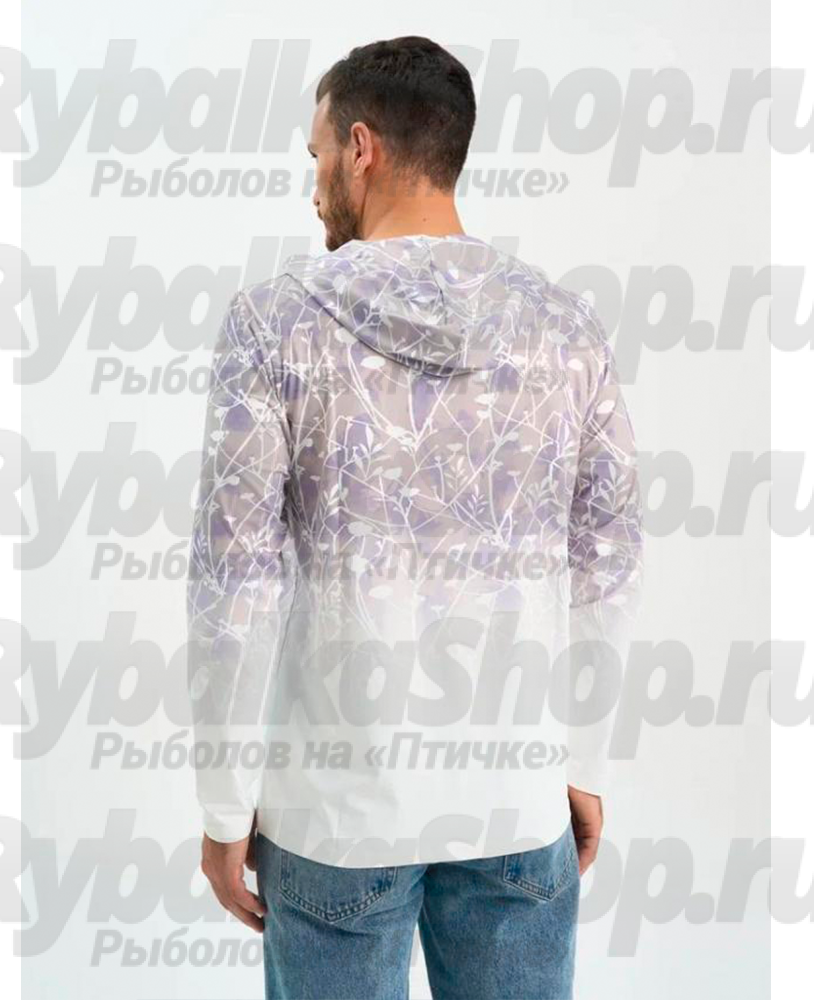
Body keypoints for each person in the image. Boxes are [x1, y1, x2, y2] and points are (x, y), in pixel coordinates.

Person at [186, 35, 644, 1000]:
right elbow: (609, 559)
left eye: (318, 155)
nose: (314, 184)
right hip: (515, 801)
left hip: (335, 815)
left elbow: (235, 581)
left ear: (362, 148)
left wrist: (225, 807)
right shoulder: (566, 326)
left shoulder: (274, 323)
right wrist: (586, 758)